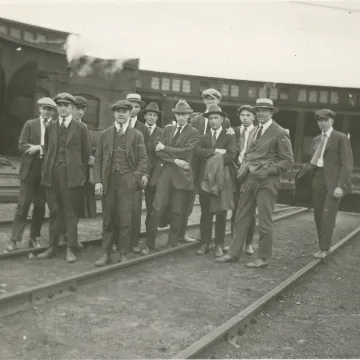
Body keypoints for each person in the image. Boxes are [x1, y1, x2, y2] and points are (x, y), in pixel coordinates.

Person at [217, 98, 294, 268]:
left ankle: (263, 257)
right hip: (249, 180)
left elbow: (288, 161)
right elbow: (247, 154)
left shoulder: (280, 132)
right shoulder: (253, 131)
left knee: (264, 221)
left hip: (267, 182)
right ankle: (233, 253)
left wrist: (267, 171)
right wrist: (244, 169)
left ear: (272, 112)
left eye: (265, 110)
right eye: (258, 110)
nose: (260, 113)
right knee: (241, 217)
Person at [37, 93, 90, 263]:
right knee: (54, 211)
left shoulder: (81, 128)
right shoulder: (51, 127)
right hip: (53, 175)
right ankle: (52, 246)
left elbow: (85, 153)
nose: (62, 108)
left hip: (71, 176)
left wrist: (75, 171)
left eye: (66, 105)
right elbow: (47, 150)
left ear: (72, 108)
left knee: (70, 212)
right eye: (59, 105)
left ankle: (70, 248)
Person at [94, 100, 147, 266]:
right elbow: (98, 161)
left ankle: (124, 253)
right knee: (108, 219)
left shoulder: (136, 135)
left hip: (127, 183)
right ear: (114, 113)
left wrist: (134, 177)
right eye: (118, 111)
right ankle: (106, 253)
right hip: (109, 182)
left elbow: (143, 160)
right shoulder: (105, 134)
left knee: (125, 219)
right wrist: (98, 182)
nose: (121, 114)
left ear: (130, 113)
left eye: (124, 111)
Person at [297, 109, 353, 259]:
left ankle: (324, 248)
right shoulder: (316, 140)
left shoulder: (340, 138)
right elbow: (314, 162)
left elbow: (347, 164)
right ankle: (322, 245)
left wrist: (341, 185)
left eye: (326, 120)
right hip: (318, 178)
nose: (323, 123)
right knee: (318, 214)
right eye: (320, 120)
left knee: (328, 215)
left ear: (332, 121)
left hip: (333, 181)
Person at [146, 100, 199, 251]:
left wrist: (165, 148)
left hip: (182, 177)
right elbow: (158, 151)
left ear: (189, 116)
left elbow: (187, 152)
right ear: (175, 114)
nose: (181, 117)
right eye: (178, 114)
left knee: (177, 211)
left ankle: (172, 243)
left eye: (184, 115)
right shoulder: (167, 130)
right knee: (157, 208)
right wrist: (175, 160)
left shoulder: (193, 132)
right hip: (165, 174)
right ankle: (149, 244)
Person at [183, 88, 234, 244]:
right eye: (207, 98)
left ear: (218, 100)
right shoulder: (197, 119)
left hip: (216, 169)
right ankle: (189, 234)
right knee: (195, 200)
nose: (210, 101)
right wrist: (215, 152)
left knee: (217, 205)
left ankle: (210, 239)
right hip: (198, 165)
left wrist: (214, 154)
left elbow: (229, 147)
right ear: (204, 100)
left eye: (213, 98)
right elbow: (195, 145)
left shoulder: (225, 121)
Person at [6, 97, 56, 252]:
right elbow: (21, 145)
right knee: (23, 205)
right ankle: (14, 239)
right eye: (44, 108)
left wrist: (38, 148)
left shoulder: (55, 127)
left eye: (50, 109)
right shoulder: (30, 124)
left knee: (40, 207)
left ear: (53, 111)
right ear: (39, 109)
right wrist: (38, 147)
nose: (47, 111)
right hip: (30, 169)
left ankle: (34, 238)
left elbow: (55, 148)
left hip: (46, 170)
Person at [195, 105, 236, 257]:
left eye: (216, 118)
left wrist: (211, 156)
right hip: (205, 180)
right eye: (210, 118)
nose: (213, 121)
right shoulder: (203, 137)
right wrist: (218, 152)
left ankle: (219, 244)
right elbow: (198, 153)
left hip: (222, 180)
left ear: (222, 119)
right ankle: (204, 243)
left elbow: (231, 155)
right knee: (205, 213)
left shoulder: (229, 136)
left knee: (221, 213)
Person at [57, 95, 96, 248]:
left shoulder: (83, 127)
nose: (80, 112)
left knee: (76, 207)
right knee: (59, 206)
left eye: (83, 109)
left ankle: (70, 237)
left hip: (79, 174)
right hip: (62, 172)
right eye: (77, 108)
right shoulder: (61, 126)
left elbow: (86, 152)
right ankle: (60, 236)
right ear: (71, 108)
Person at [229, 105, 256, 255]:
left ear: (253, 117)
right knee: (235, 208)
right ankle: (234, 242)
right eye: (242, 115)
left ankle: (248, 243)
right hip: (236, 171)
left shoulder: (258, 132)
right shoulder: (233, 131)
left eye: (248, 115)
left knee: (250, 210)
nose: (245, 118)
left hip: (251, 172)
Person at [125, 93, 150, 253]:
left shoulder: (143, 129)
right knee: (117, 209)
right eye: (130, 106)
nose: (133, 109)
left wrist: (144, 174)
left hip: (136, 174)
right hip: (119, 174)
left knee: (134, 209)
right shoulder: (117, 124)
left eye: (136, 106)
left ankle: (133, 242)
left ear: (140, 109)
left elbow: (146, 154)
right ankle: (116, 240)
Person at [140, 102, 164, 256]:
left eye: (154, 115)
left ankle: (150, 242)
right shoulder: (137, 130)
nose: (151, 117)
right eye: (149, 114)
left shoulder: (162, 133)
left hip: (155, 177)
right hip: (137, 174)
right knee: (130, 209)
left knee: (152, 210)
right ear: (145, 116)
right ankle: (128, 241)